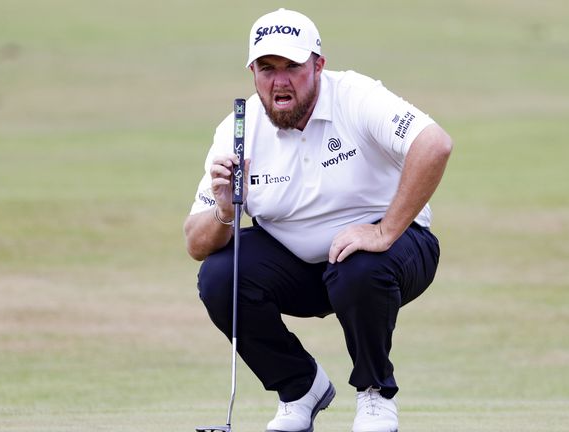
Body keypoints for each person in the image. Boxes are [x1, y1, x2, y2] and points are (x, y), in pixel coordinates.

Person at [184, 8, 451, 432]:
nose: (280, 80)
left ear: (319, 66)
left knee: (359, 266)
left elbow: (434, 144)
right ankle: (300, 388)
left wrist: (383, 230)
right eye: (267, 68)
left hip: (394, 252)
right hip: (301, 268)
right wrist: (225, 210)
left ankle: (374, 395)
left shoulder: (356, 96)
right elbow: (196, 243)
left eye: (292, 66)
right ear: (252, 72)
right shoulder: (238, 128)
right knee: (219, 276)